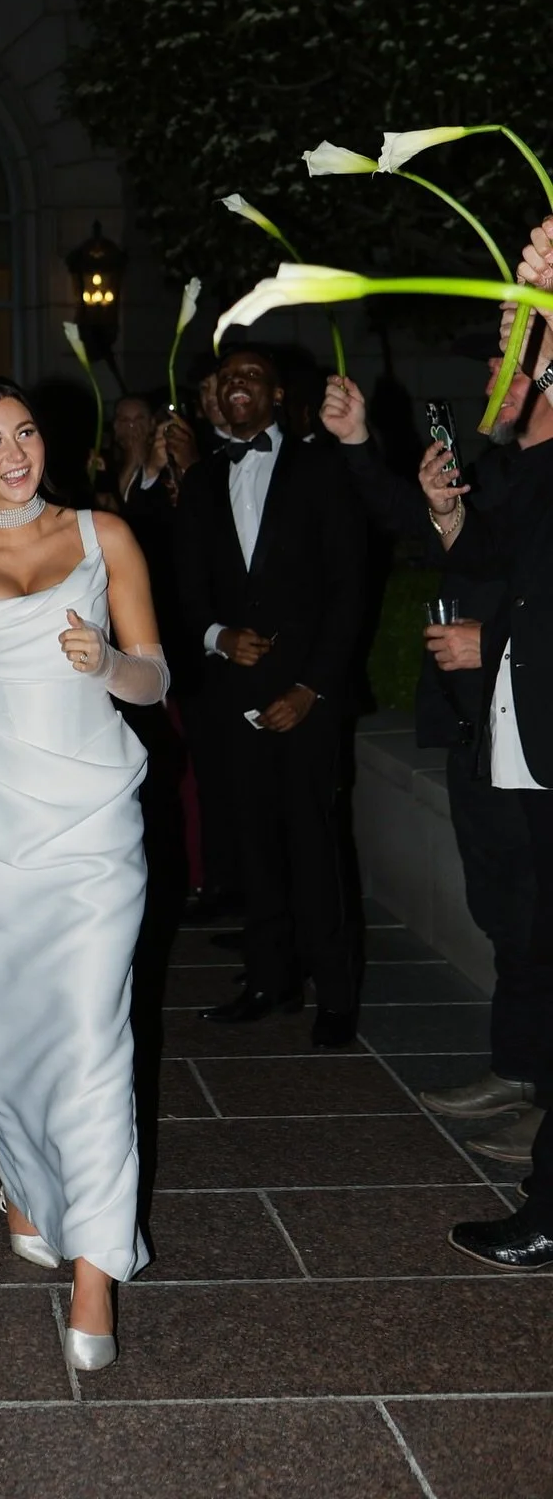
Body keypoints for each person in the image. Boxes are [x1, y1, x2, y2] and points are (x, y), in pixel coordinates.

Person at [0, 378, 163, 1374]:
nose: (14, 453)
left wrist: (104, 662)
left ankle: (96, 1267)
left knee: (95, 1033)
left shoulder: (105, 536)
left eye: (25, 434)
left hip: (94, 814)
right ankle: (21, 1183)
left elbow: (154, 676)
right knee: (5, 1028)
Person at [321, 370, 539, 1150]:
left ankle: (542, 1100)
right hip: (478, 722)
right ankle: (519, 1066)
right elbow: (418, 524)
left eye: (507, 366)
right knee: (505, 910)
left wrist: (497, 646)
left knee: (536, 912)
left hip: (531, 723)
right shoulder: (499, 466)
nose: (489, 380)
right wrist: (358, 447)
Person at [420, 246, 553, 1270]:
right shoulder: (527, 428)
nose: (528, 265)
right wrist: (451, 510)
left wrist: (494, 641)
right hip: (517, 727)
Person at [176, 345, 367, 1047]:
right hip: (235, 696)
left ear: (279, 394)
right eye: (227, 380)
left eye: (250, 377)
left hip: (308, 695)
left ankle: (336, 994)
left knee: (314, 844)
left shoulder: (322, 469)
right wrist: (217, 636)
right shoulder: (199, 483)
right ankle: (268, 979)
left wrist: (313, 686)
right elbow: (184, 590)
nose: (236, 388)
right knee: (249, 843)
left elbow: (349, 590)